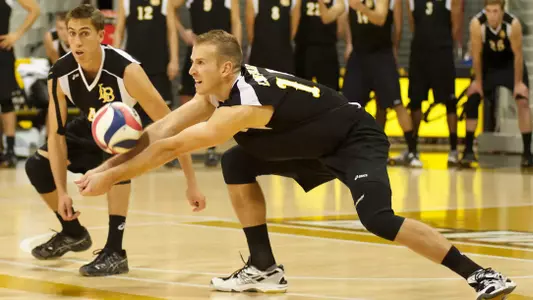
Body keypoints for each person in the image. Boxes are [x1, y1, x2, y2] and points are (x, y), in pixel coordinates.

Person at [76, 29, 516, 299]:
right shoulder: (216, 92)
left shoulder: (243, 103)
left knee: (378, 219)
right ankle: (264, 267)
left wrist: (112, 174)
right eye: (192, 62)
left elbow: (171, 148)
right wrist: (104, 167)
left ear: (226, 67)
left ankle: (481, 275)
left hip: (352, 139)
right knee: (236, 163)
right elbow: (161, 129)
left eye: (199, 63)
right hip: (307, 144)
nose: (191, 69)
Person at [24, 4, 205, 277]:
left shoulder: (126, 69)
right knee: (37, 165)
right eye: (71, 33)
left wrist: (191, 183)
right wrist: (62, 192)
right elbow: (56, 134)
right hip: (91, 126)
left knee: (117, 153)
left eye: (85, 33)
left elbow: (173, 126)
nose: (76, 41)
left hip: (134, 130)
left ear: (101, 35)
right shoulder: (59, 72)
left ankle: (115, 251)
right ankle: (73, 232)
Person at [341, 0, 422, 168]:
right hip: (359, 55)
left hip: (381, 54)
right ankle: (347, 150)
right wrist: (349, 43)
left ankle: (412, 151)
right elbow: (345, 17)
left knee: (396, 104)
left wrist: (361, 7)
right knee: (348, 106)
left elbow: (381, 19)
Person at [462, 0, 532, 168]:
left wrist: (518, 83)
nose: (491, 15)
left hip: (509, 65)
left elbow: (518, 56)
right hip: (488, 66)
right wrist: (477, 83)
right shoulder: (476, 24)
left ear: (502, 11)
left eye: (495, 11)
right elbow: (477, 56)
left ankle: (527, 153)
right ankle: (468, 150)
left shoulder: (512, 24)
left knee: (522, 100)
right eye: (488, 11)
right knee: (472, 98)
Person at [175, 0, 242, 167]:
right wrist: (184, 33)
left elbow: (236, 22)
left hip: (219, 58)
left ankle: (211, 149)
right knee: (187, 95)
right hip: (198, 54)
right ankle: (182, 150)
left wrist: (236, 53)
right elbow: (169, 7)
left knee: (216, 99)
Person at [405, 0, 463, 166]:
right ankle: (413, 149)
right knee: (415, 101)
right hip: (419, 54)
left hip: (442, 53)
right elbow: (412, 24)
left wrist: (442, 43)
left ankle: (453, 149)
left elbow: (456, 25)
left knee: (449, 101)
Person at [113, 0, 180, 110]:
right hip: (133, 65)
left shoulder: (165, 2)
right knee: (135, 108)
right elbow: (119, 31)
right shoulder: (125, 2)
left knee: (163, 107)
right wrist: (114, 59)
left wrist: (174, 60)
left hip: (159, 63)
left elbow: (172, 31)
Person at [0, 0, 40, 167]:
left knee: (5, 100)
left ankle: (9, 150)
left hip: (2, 50)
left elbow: (35, 10)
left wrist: (16, 35)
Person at [294, 0, 345, 90]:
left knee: (329, 91)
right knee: (300, 91)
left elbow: (326, 18)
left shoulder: (338, 2)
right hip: (304, 48)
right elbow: (295, 18)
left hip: (326, 49)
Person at [246, 0, 300, 74]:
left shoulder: (295, 1)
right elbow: (250, 32)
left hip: (284, 57)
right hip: (259, 56)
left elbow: (293, 29)